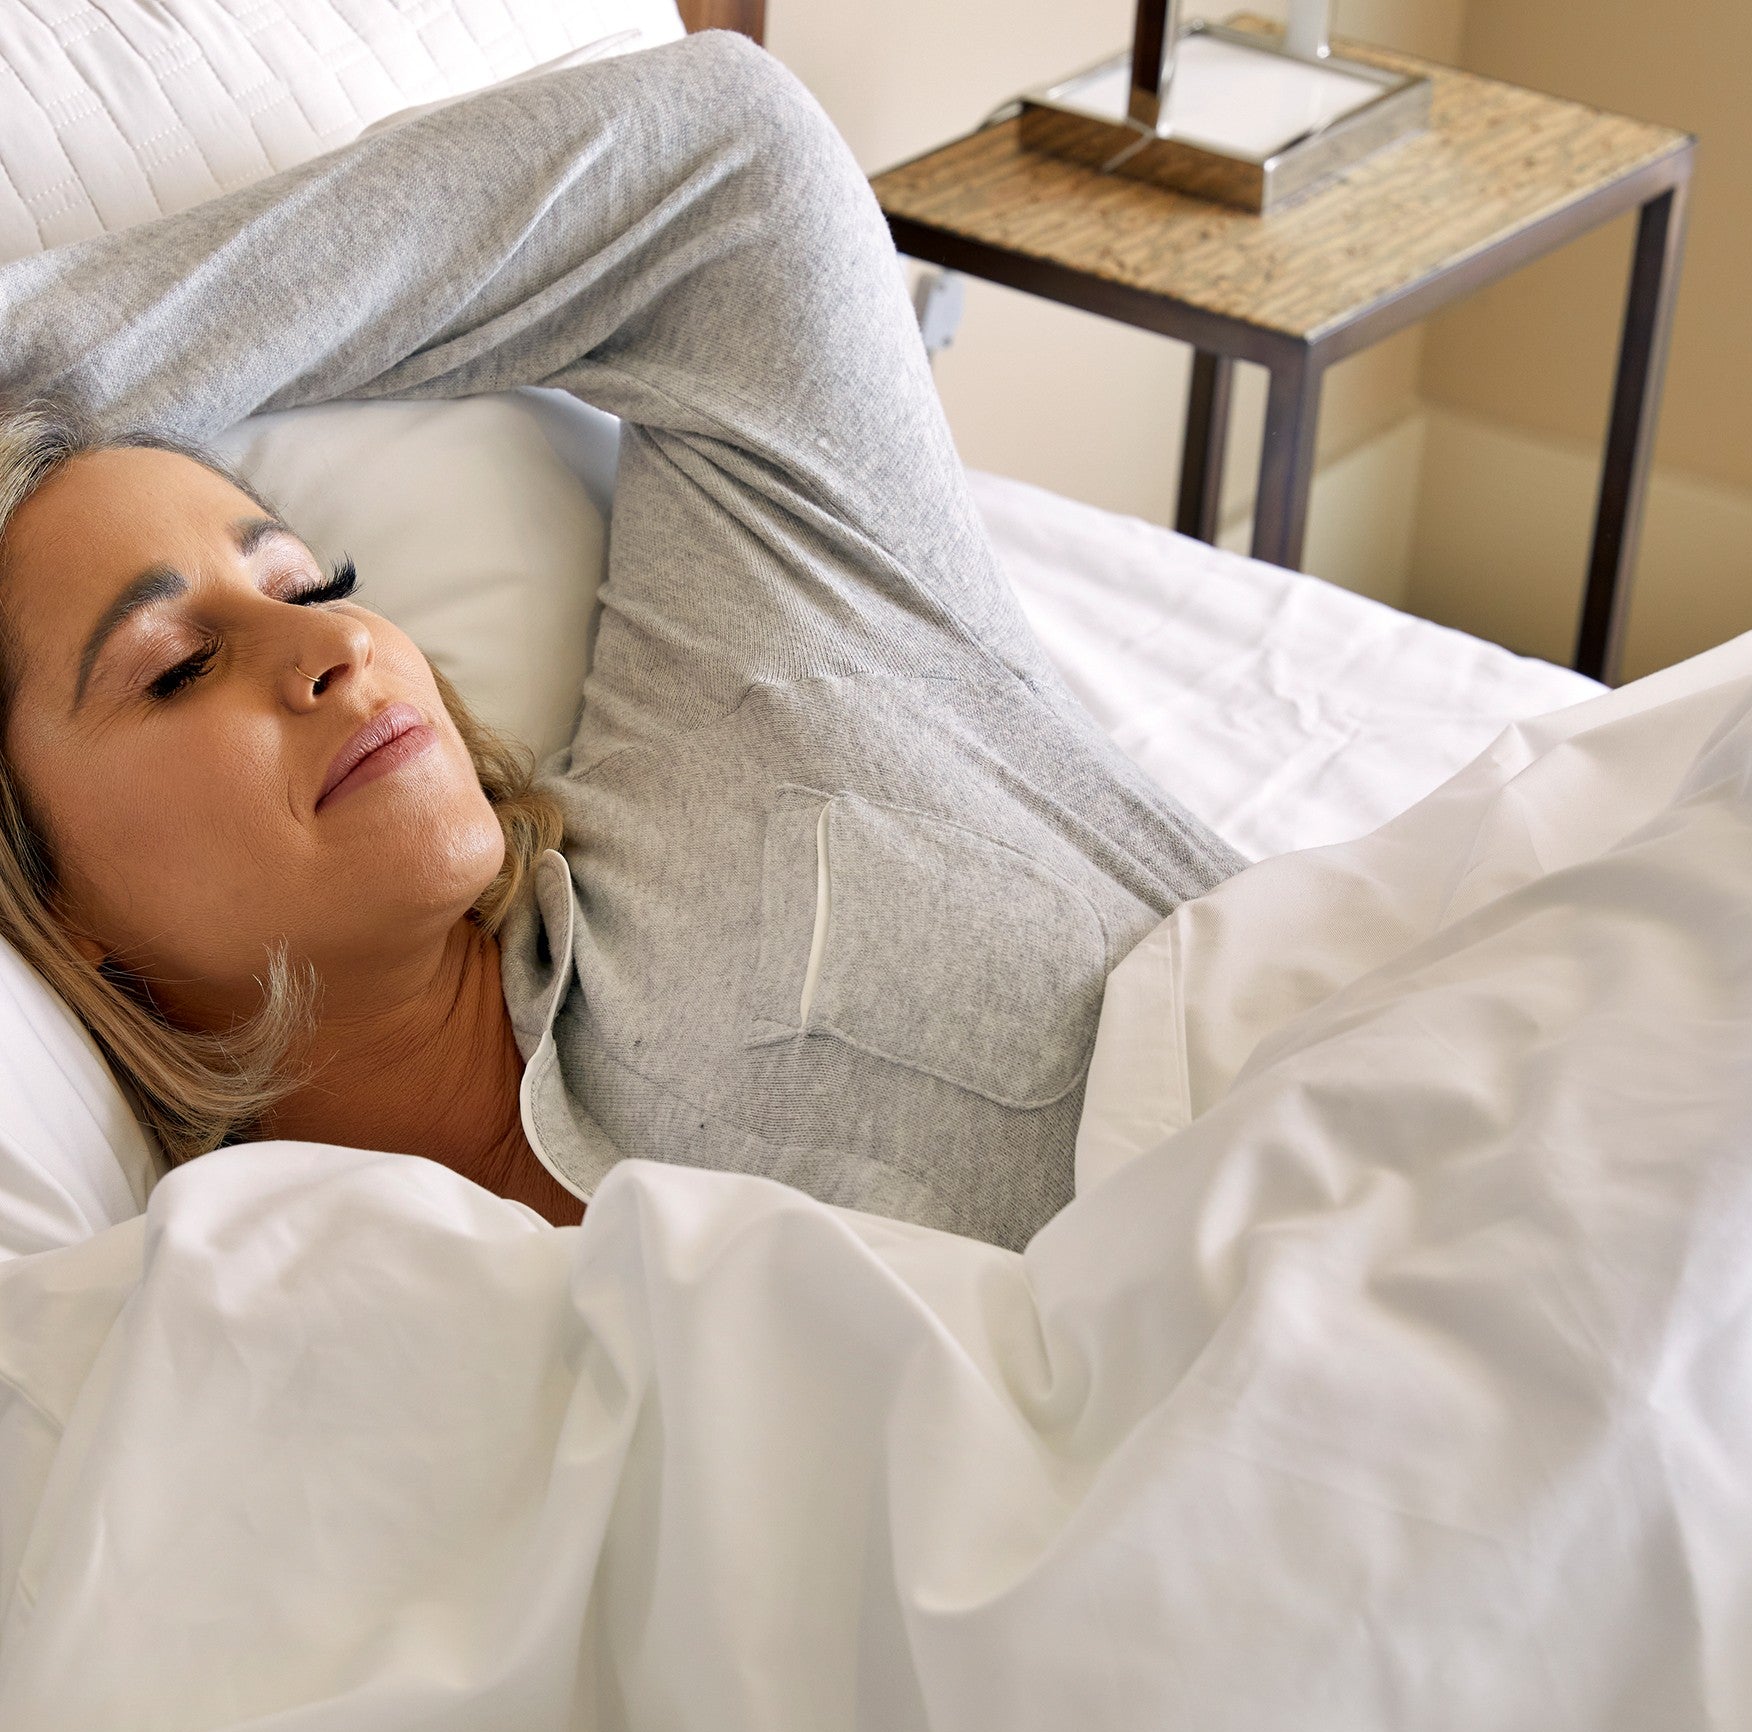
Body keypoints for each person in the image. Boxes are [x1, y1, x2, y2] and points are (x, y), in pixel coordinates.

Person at [0, 31, 1241, 1250]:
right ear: (53, 905)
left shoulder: (754, 690)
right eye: (177, 665)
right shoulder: (231, 1326)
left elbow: (735, 156)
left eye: (313, 579)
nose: (333, 647)